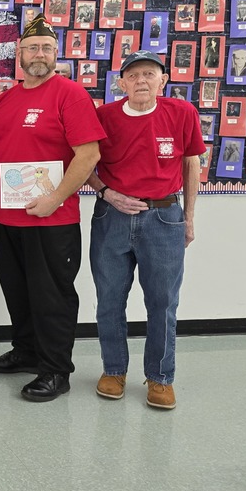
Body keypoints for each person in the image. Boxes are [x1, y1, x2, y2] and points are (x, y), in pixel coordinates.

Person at [0, 14, 104, 402]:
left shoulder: (70, 94)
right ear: (19, 55)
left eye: (46, 48)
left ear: (56, 54)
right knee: (18, 290)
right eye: (32, 48)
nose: (39, 54)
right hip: (5, 216)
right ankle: (26, 351)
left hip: (51, 218)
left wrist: (55, 198)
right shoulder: (6, 99)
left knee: (52, 295)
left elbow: (89, 154)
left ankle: (55, 369)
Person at [86, 50, 205, 410]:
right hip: (112, 217)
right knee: (109, 300)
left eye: (149, 74)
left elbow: (192, 163)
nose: (141, 81)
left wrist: (190, 217)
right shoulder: (103, 117)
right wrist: (106, 192)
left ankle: (160, 378)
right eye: (133, 75)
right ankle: (113, 370)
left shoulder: (181, 113)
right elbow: (82, 163)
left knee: (163, 303)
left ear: (163, 80)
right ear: (120, 83)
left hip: (164, 216)